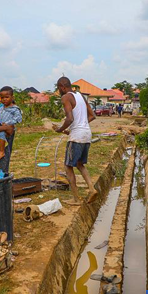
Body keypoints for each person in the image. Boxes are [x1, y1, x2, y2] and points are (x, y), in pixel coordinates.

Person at [53, 76, 97, 206]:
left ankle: (76, 199)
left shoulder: (66, 97)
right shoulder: (81, 96)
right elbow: (92, 116)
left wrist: (60, 129)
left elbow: (70, 118)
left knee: (68, 166)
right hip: (86, 134)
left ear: (62, 86)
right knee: (79, 164)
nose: (59, 91)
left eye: (58, 88)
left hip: (77, 136)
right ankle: (92, 188)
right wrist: (75, 128)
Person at [0, 86, 22, 173]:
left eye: (7, 97)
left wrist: (8, 123)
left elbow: (18, 119)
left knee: (3, 135)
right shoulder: (1, 107)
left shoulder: (14, 108)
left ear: (12, 97)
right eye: (2, 97)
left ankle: (2, 151)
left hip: (8, 129)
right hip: (1, 126)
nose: (4, 99)